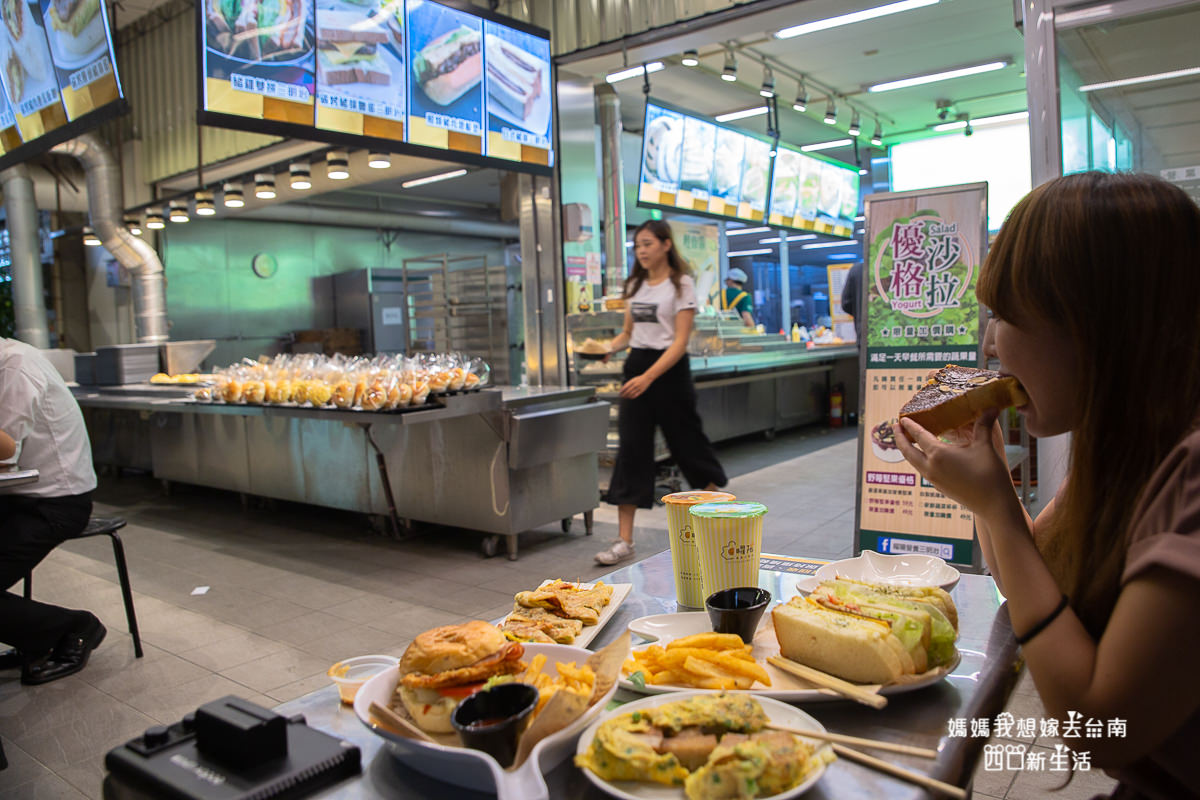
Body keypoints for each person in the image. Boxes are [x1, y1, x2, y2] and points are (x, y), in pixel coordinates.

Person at [893, 172, 1200, 799]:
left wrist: (997, 512)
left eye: (1005, 315)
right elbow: (1035, 580)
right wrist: (986, 492)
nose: (989, 342)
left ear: (1096, 328)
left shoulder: (1191, 473)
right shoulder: (1125, 446)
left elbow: (1102, 728)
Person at [596, 220, 728, 565]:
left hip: (668, 372)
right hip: (636, 367)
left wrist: (649, 377)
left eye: (647, 243)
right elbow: (628, 331)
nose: (641, 250)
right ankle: (624, 540)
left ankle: (722, 519)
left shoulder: (681, 284)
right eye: (637, 244)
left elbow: (680, 341)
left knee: (687, 444)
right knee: (632, 448)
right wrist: (610, 347)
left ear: (666, 245)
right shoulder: (635, 284)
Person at [1, 337, 106, 685]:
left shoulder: (15, 366)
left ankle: (73, 629)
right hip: (15, 496)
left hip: (53, 502)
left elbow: (4, 452)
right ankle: (33, 636)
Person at [840, 262, 864, 345]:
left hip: (864, 334)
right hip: (895, 334)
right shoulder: (895, 267)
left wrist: (859, 314)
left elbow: (846, 304)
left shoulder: (856, 270)